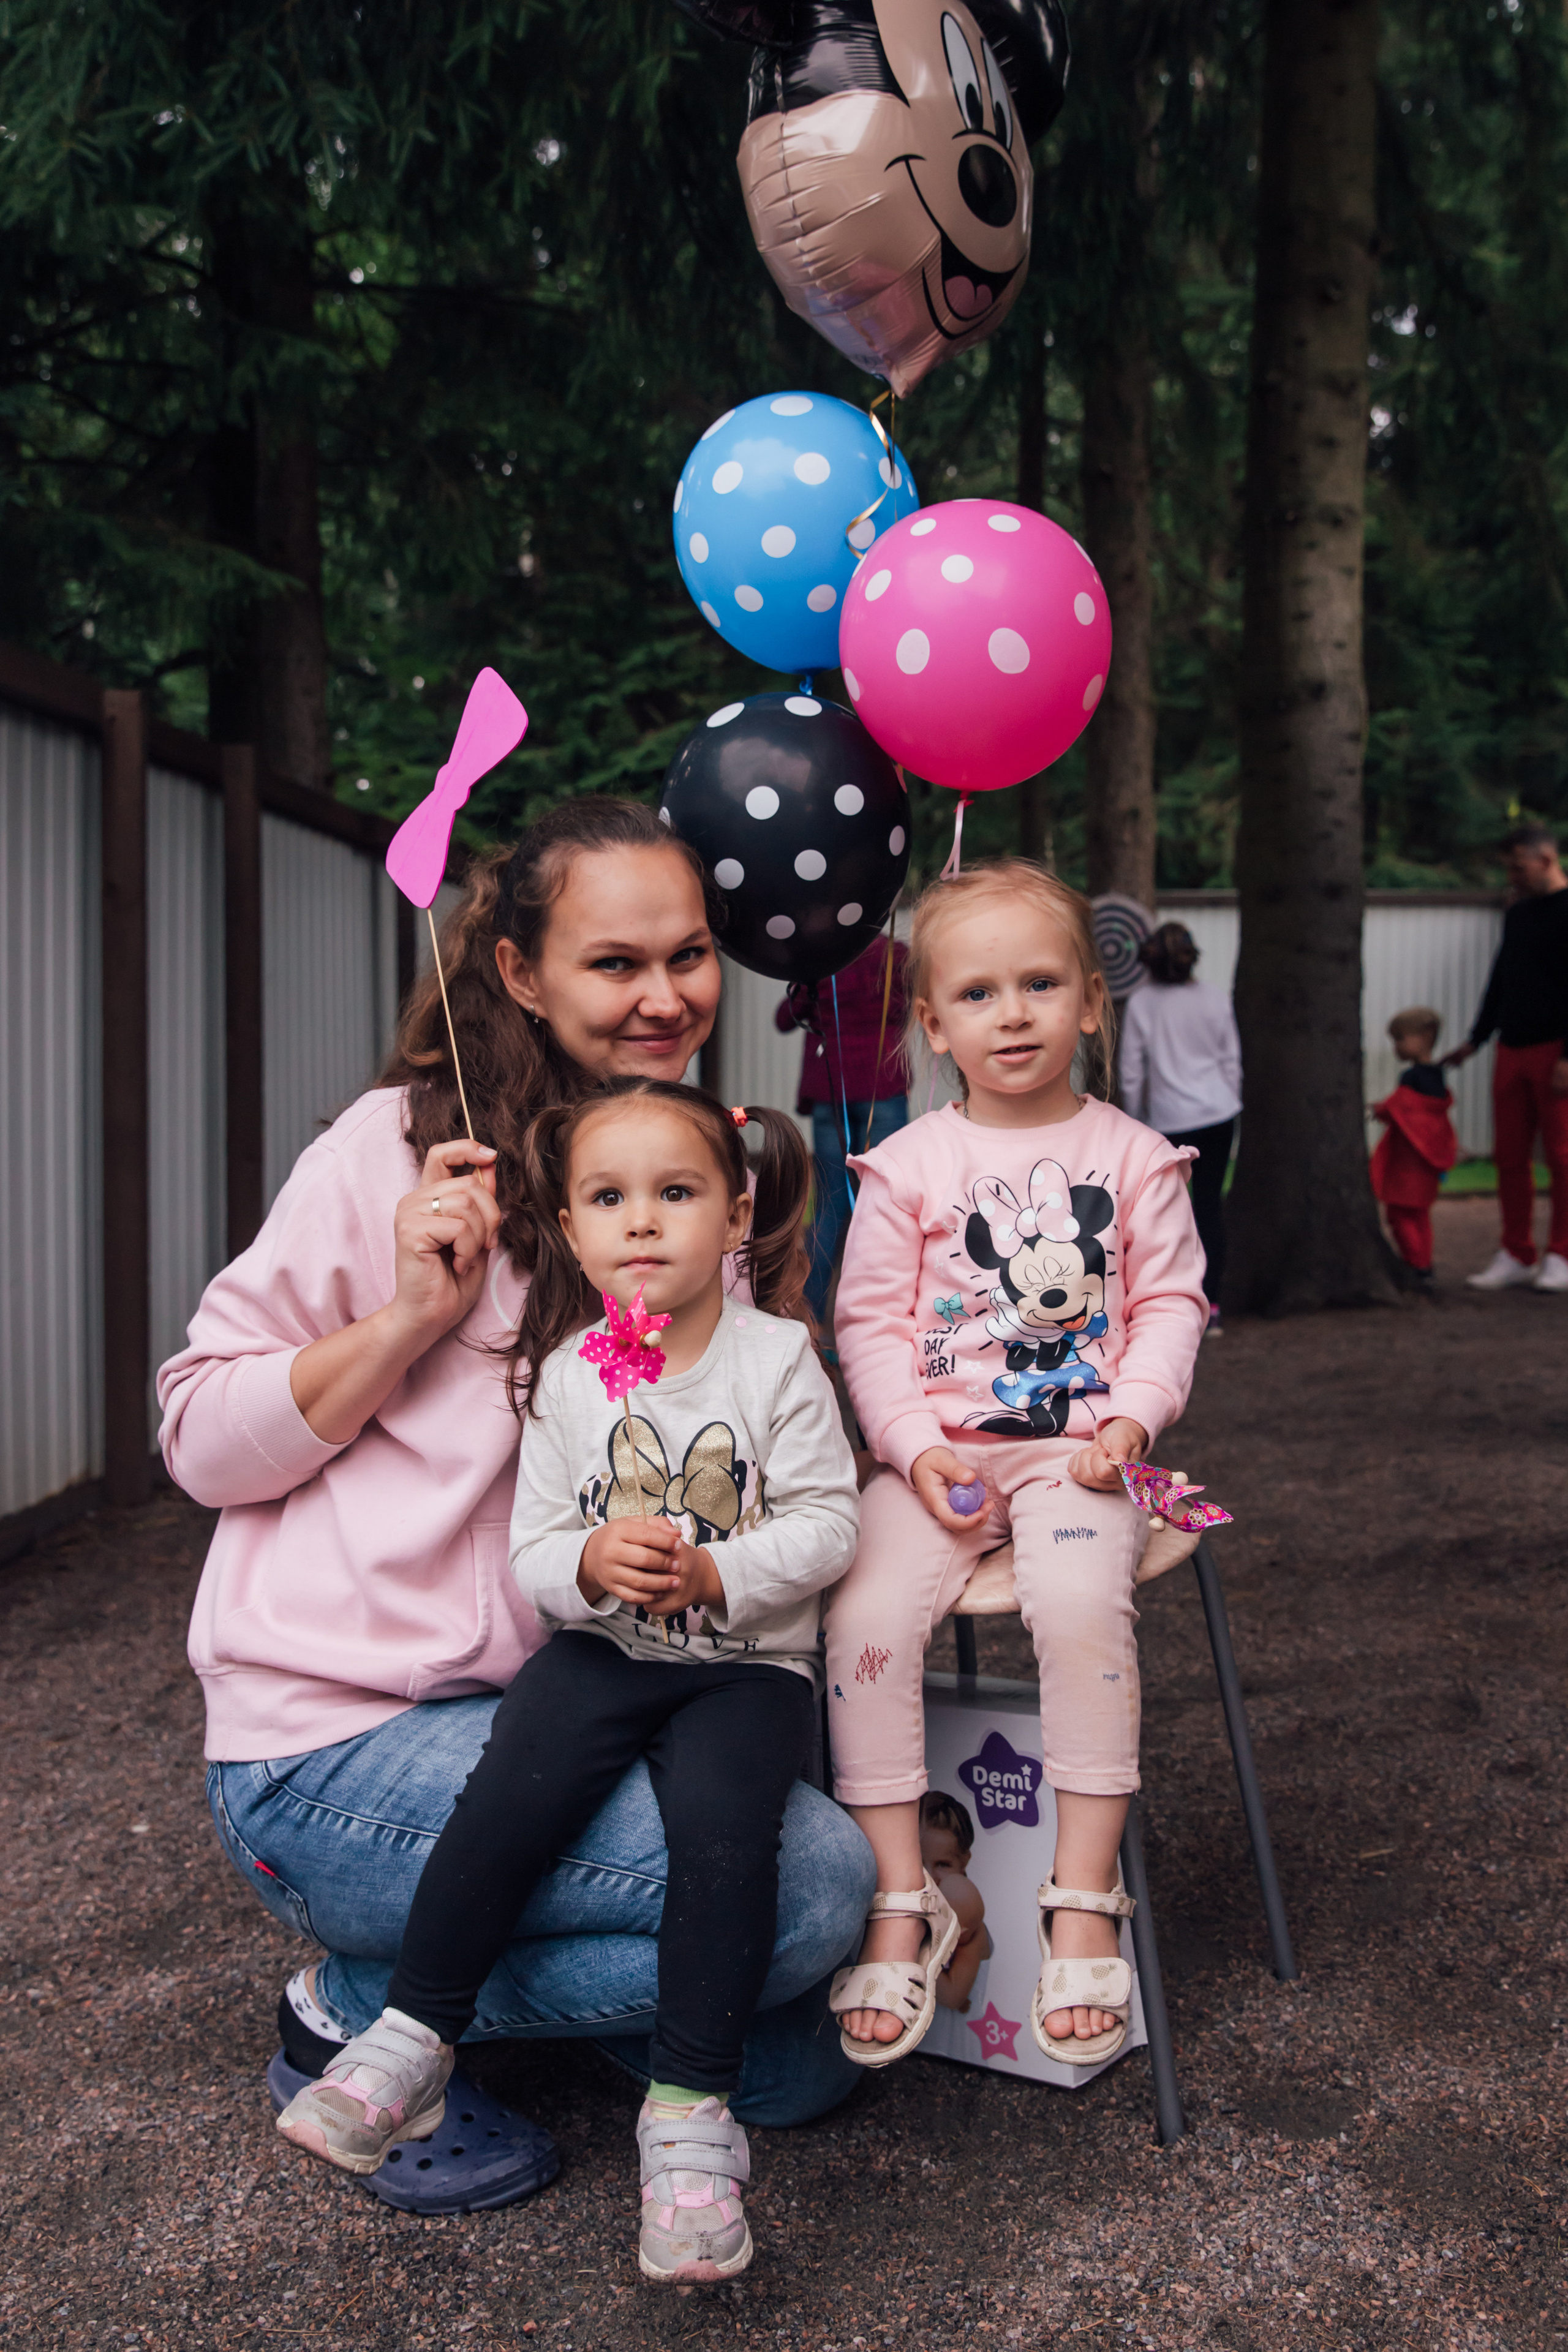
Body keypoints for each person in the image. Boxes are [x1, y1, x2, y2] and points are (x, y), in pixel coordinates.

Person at [158, 798, 874, 2220]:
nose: (664, 995)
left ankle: (584, 2011)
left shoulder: (678, 1171)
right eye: (615, 962)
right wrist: (409, 1315)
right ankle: (349, 2003)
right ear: (515, 970)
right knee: (805, 1895)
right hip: (338, 1743)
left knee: (800, 2060)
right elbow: (196, 1438)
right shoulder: (396, 1153)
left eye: (687, 955)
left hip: (570, 1701)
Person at [277, 1080, 858, 2281]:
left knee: (721, 1840)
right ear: (571, 1229)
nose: (641, 1221)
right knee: (507, 1804)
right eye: (609, 1198)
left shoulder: (776, 1359)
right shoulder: (569, 1374)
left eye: (676, 1192)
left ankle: (690, 2117)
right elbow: (535, 1556)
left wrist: (715, 1569)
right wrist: (591, 1562)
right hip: (601, 1652)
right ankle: (413, 2032)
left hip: (744, 1670)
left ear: (734, 1213)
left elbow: (827, 1527)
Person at [821, 860, 1207, 2070]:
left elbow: (1172, 1309)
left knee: (1082, 1605)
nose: (1015, 1013)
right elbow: (869, 1331)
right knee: (863, 1625)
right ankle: (902, 1896)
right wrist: (911, 1448)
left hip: (1078, 1460)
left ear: (1091, 1002)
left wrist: (1131, 1422)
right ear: (931, 1026)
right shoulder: (908, 1167)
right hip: (938, 1463)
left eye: (1041, 984)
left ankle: (1079, 1891)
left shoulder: (1134, 1158)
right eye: (978, 993)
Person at [1444, 823, 1568, 1293]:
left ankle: (1562, 1254)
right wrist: (1476, 1039)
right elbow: (1502, 978)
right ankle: (1517, 1252)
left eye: (1518, 865)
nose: (1512, 875)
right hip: (1511, 1048)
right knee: (1510, 1156)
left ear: (1546, 859)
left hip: (1556, 1049)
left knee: (1562, 1157)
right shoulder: (1518, 914)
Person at [775, 930, 909, 1322]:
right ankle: (888, 1315)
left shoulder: (820, 958)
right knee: (892, 1201)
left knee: (830, 1206)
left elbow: (787, 1018)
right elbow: (910, 1008)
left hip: (830, 1089)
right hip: (883, 1087)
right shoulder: (895, 955)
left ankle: (810, 1320)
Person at [1118, 921, 1242, 1337]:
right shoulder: (1214, 998)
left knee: (1165, 1215)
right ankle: (1215, 1306)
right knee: (1210, 1207)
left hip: (1169, 1122)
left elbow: (1132, 1071)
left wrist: (1136, 1122)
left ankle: (1167, 1304)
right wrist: (1229, 1099)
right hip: (1219, 1115)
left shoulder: (1142, 1003)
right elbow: (1231, 1060)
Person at [1368, 1008, 1458, 1290]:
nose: (1396, 1047)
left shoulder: (1412, 1079)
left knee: (1399, 1214)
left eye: (1400, 1039)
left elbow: (1403, 1108)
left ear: (1425, 1037)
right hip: (1427, 1163)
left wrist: (1381, 1109)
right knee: (1420, 1215)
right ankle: (1424, 1263)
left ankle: (1415, 1264)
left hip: (1408, 1163)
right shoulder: (1438, 1079)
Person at [919, 1792, 990, 2014]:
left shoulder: (969, 1922)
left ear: (964, 1861)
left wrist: (912, 1952)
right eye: (919, 1862)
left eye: (943, 1864)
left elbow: (952, 1997)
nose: (929, 1877)